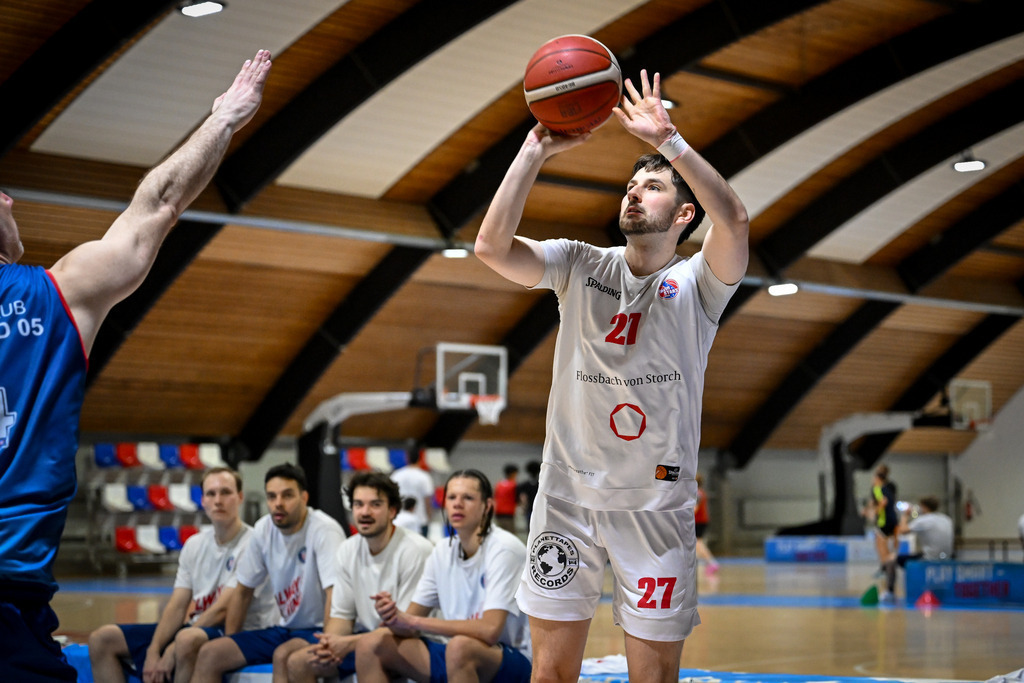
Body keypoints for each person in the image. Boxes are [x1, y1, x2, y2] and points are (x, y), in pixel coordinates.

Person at [0, 50, 272, 682]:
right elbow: (158, 205)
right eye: (2, 197)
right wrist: (223, 120)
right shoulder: (55, 294)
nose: (11, 198)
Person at [475, 69, 748, 683]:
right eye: (630, 186)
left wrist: (670, 141)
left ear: (684, 214)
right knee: (550, 675)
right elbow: (491, 248)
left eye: (652, 187)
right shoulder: (579, 264)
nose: (633, 194)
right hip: (566, 501)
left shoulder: (699, 284)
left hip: (654, 506)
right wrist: (534, 149)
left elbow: (733, 217)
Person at [87, 467, 277, 683]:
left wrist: (172, 648)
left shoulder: (252, 543)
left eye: (226, 492)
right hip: (198, 627)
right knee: (102, 639)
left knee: (186, 640)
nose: (218, 500)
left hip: (240, 632)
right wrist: (153, 650)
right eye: (211, 494)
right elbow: (177, 605)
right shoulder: (194, 544)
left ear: (240, 497)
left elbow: (223, 610)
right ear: (202, 500)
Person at [354, 469, 532, 683]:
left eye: (468, 498)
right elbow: (408, 626)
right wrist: (393, 616)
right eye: (451, 497)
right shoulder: (441, 551)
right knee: (370, 644)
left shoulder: (504, 549)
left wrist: (413, 621)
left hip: (512, 658)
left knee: (460, 647)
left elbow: (489, 630)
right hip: (458, 654)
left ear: (487, 506)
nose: (457, 504)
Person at [191, 463, 345, 683]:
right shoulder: (264, 528)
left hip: (318, 629)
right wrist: (233, 640)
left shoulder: (324, 530)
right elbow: (242, 592)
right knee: (211, 653)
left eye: (287, 495)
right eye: (272, 496)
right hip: (285, 629)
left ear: (304, 498)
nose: (278, 503)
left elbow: (335, 594)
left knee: (283, 655)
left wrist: (327, 643)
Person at [281, 471, 434, 682]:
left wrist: (348, 644)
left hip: (415, 643)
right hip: (367, 640)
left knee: (368, 652)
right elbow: (342, 617)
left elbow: (408, 627)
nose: (365, 512)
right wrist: (330, 645)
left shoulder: (416, 550)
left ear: (392, 511)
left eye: (375, 505)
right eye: (358, 504)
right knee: (299, 662)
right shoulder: (347, 550)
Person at [883, 495, 953, 599]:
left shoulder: (924, 520)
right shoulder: (946, 519)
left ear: (924, 507)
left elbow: (902, 530)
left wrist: (905, 515)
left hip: (929, 559)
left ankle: (890, 593)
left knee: (890, 560)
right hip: (947, 558)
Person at [390, 450, 435, 536]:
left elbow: (391, 497)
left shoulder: (396, 475)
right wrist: (429, 517)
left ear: (407, 458)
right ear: (420, 459)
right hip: (420, 519)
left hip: (399, 519)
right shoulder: (424, 477)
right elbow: (428, 500)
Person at [866, 464, 899, 576]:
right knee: (887, 544)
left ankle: (885, 567)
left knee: (880, 544)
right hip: (893, 518)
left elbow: (883, 502)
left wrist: (874, 513)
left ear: (878, 478)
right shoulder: (889, 487)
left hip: (884, 520)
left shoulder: (877, 488)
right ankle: (888, 566)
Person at [694, 474, 719, 577]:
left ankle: (712, 562)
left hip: (699, 521)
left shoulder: (697, 494)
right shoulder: (700, 492)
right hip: (701, 521)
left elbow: (695, 509)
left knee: (698, 543)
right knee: (697, 543)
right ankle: (706, 562)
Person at [495, 463, 520, 533]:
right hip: (509, 513)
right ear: (513, 473)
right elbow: (517, 499)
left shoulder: (499, 484)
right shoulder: (514, 485)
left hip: (498, 513)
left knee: (500, 533)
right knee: (510, 534)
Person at [516, 460, 541, 526]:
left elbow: (522, 498)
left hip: (530, 509)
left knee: (530, 527)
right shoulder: (541, 485)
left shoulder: (524, 485)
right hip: (539, 509)